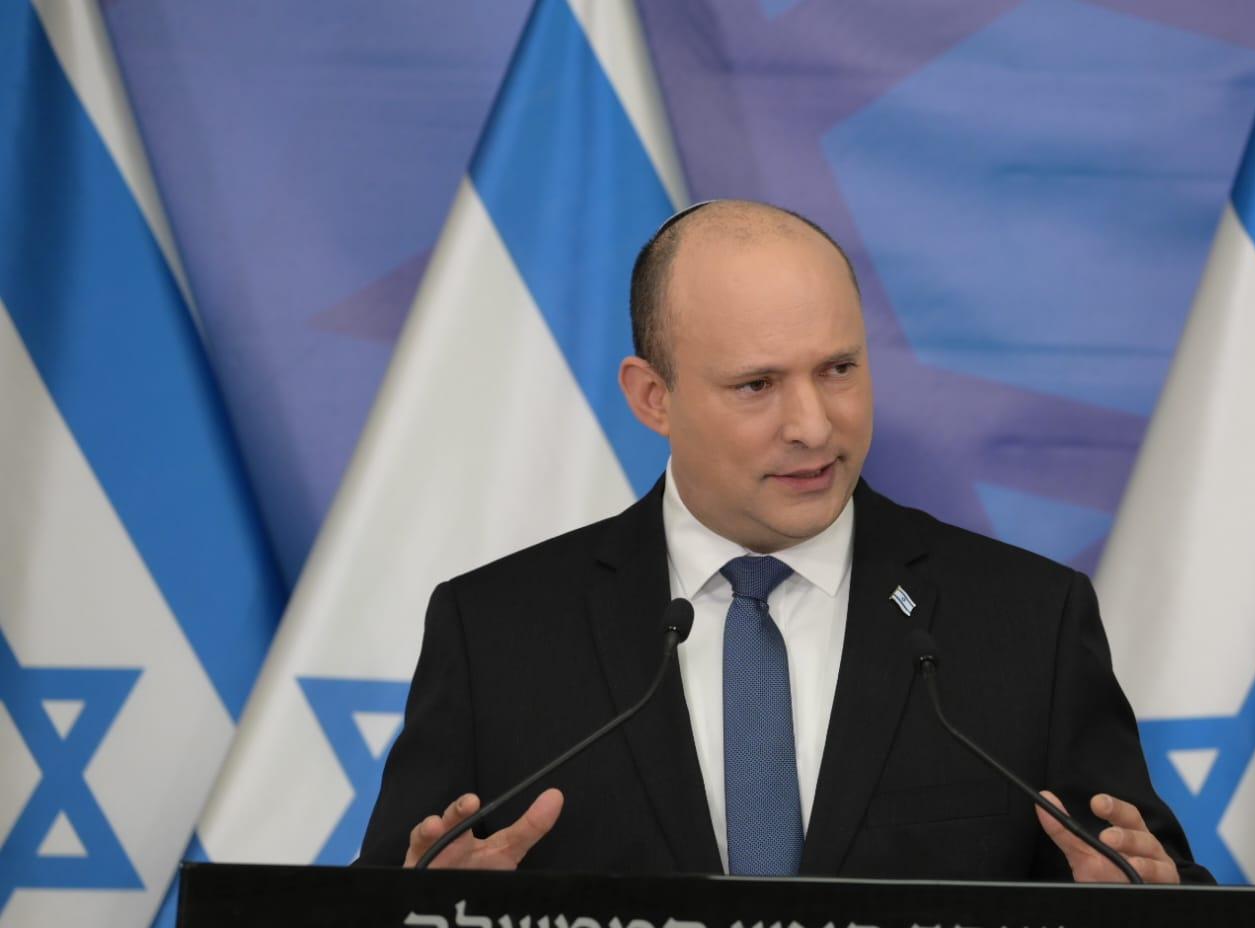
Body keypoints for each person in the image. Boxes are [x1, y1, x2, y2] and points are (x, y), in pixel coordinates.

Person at [358, 200, 1210, 885]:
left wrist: (1144, 913)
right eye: (757, 385)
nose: (813, 426)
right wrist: (424, 922)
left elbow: (1165, 909)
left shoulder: (1026, 622)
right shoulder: (497, 632)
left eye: (838, 369)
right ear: (653, 398)